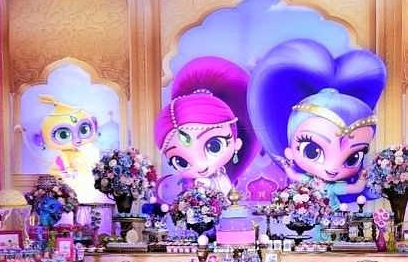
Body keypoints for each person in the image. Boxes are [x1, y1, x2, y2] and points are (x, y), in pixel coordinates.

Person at [248, 38, 387, 206]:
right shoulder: (308, 181)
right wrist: (285, 164)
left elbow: (356, 188)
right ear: (290, 151)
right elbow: (293, 176)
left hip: (334, 216)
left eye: (352, 158)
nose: (333, 168)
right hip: (311, 214)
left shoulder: (334, 187)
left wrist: (364, 176)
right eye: (312, 151)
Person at [154, 56, 258, 197]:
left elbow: (223, 191)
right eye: (181, 162)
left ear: (236, 143)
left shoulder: (221, 177)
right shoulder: (192, 183)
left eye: (214, 146)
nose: (200, 166)